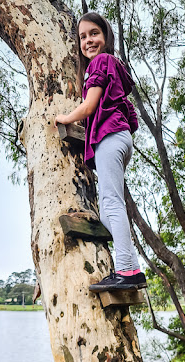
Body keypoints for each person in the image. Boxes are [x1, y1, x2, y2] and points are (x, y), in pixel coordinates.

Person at [54, 12, 146, 292]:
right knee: (107, 208)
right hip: (120, 139)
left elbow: (89, 106)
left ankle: (127, 271)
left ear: (106, 36)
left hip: (110, 138)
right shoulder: (114, 68)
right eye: (82, 37)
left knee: (112, 203)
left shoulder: (101, 62)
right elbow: (131, 117)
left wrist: (65, 118)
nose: (88, 41)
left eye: (94, 33)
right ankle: (131, 267)